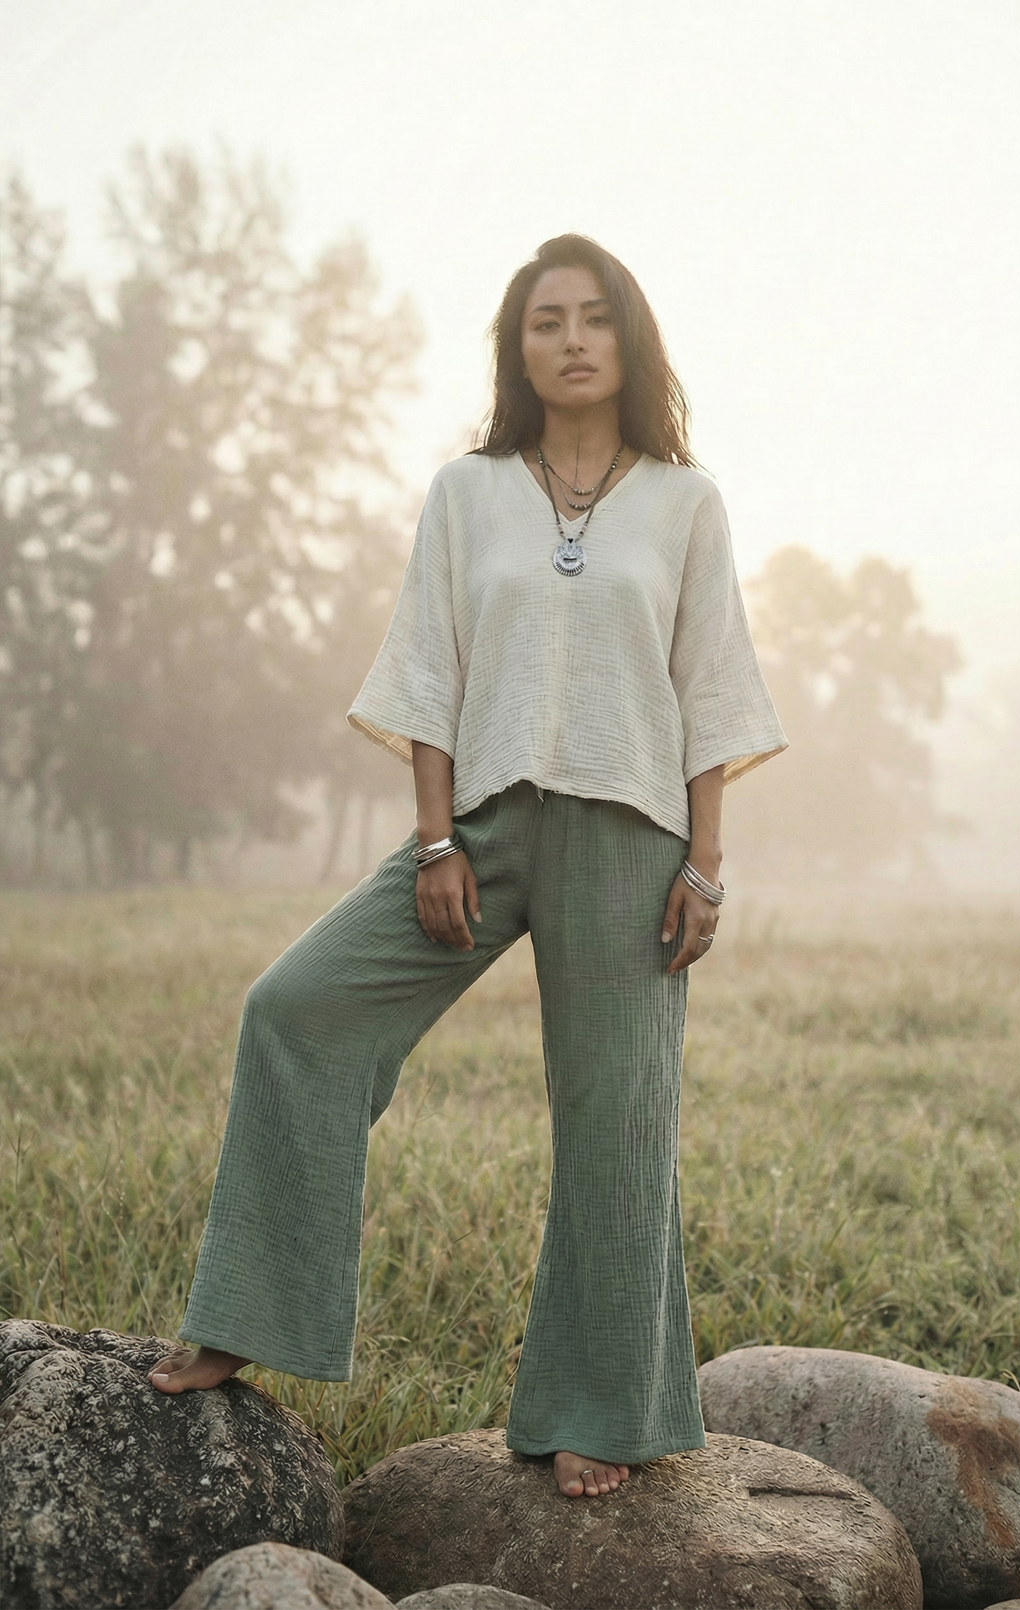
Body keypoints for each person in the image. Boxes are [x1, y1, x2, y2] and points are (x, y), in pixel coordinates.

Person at [148, 234, 787, 1500]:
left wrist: (705, 864)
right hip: (484, 823)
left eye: (594, 316)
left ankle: (599, 1401)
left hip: (632, 831)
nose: (571, 338)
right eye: (545, 318)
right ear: (519, 345)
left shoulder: (684, 501)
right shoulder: (469, 491)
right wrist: (435, 838)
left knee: (615, 1120)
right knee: (296, 1007)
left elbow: (709, 688)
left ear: (630, 337)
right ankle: (249, 1313)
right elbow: (428, 672)